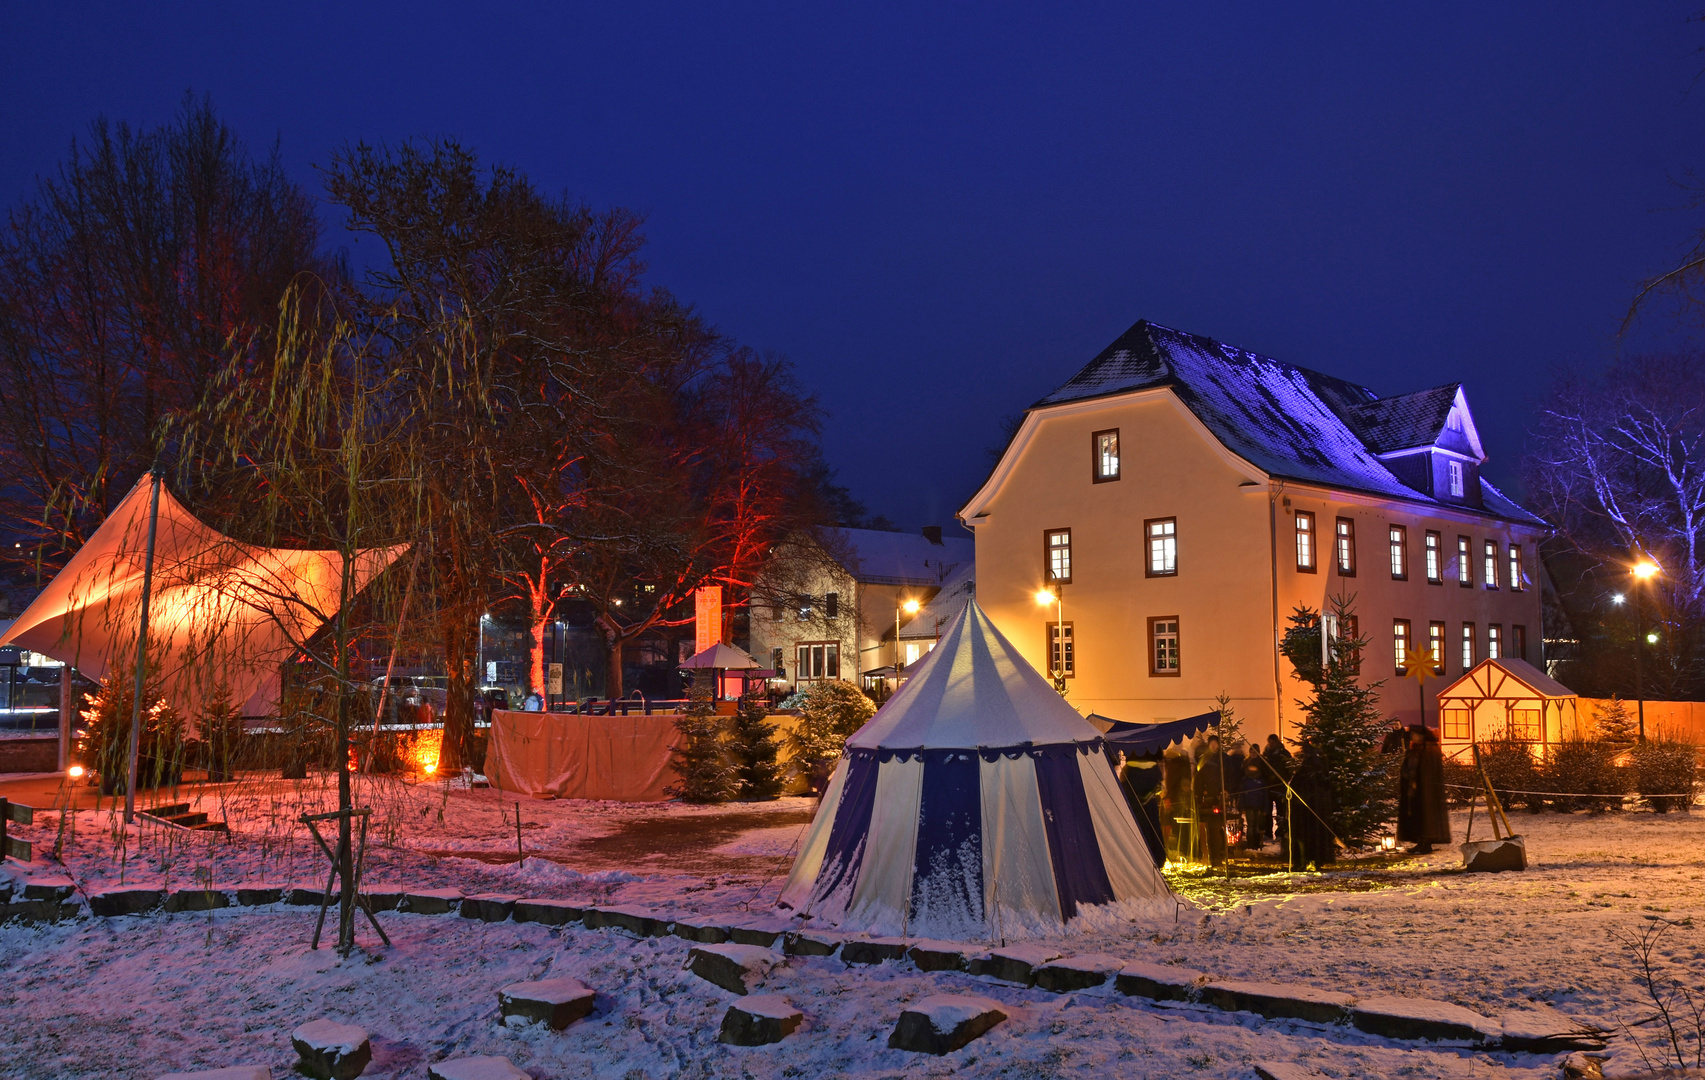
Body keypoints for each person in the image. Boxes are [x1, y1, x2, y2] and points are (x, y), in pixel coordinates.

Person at [1396, 724, 1451, 854]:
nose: (1413, 738)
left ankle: (1426, 843)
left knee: (1426, 817)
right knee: (1417, 817)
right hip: (1416, 790)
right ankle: (1420, 842)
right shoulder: (1417, 749)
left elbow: (1428, 770)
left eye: (1415, 735)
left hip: (1426, 791)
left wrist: (1420, 780)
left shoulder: (1429, 749)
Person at [1284, 740, 1336, 871]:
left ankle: (1308, 861)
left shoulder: (1312, 767)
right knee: (1309, 835)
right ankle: (1309, 861)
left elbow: (1306, 785)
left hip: (1310, 809)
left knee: (1307, 835)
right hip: (1311, 808)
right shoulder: (1315, 766)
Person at [1194, 734, 1229, 867]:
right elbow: (1199, 778)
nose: (1213, 745)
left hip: (1221, 798)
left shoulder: (1224, 759)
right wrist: (1199, 796)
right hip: (1209, 800)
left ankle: (1221, 855)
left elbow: (1229, 775)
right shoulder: (1205, 760)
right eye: (1211, 743)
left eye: (1216, 743)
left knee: (1220, 829)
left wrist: (1227, 790)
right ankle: (1213, 857)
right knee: (1212, 829)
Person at [1240, 742, 1272, 848]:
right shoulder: (1246, 777)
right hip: (1251, 802)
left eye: (1255, 751)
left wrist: (1266, 807)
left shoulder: (1262, 766)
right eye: (1251, 751)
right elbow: (1243, 792)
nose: (1253, 753)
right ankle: (1251, 845)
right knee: (1251, 826)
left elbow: (1265, 792)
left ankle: (1256, 844)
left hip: (1258, 802)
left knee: (1257, 825)